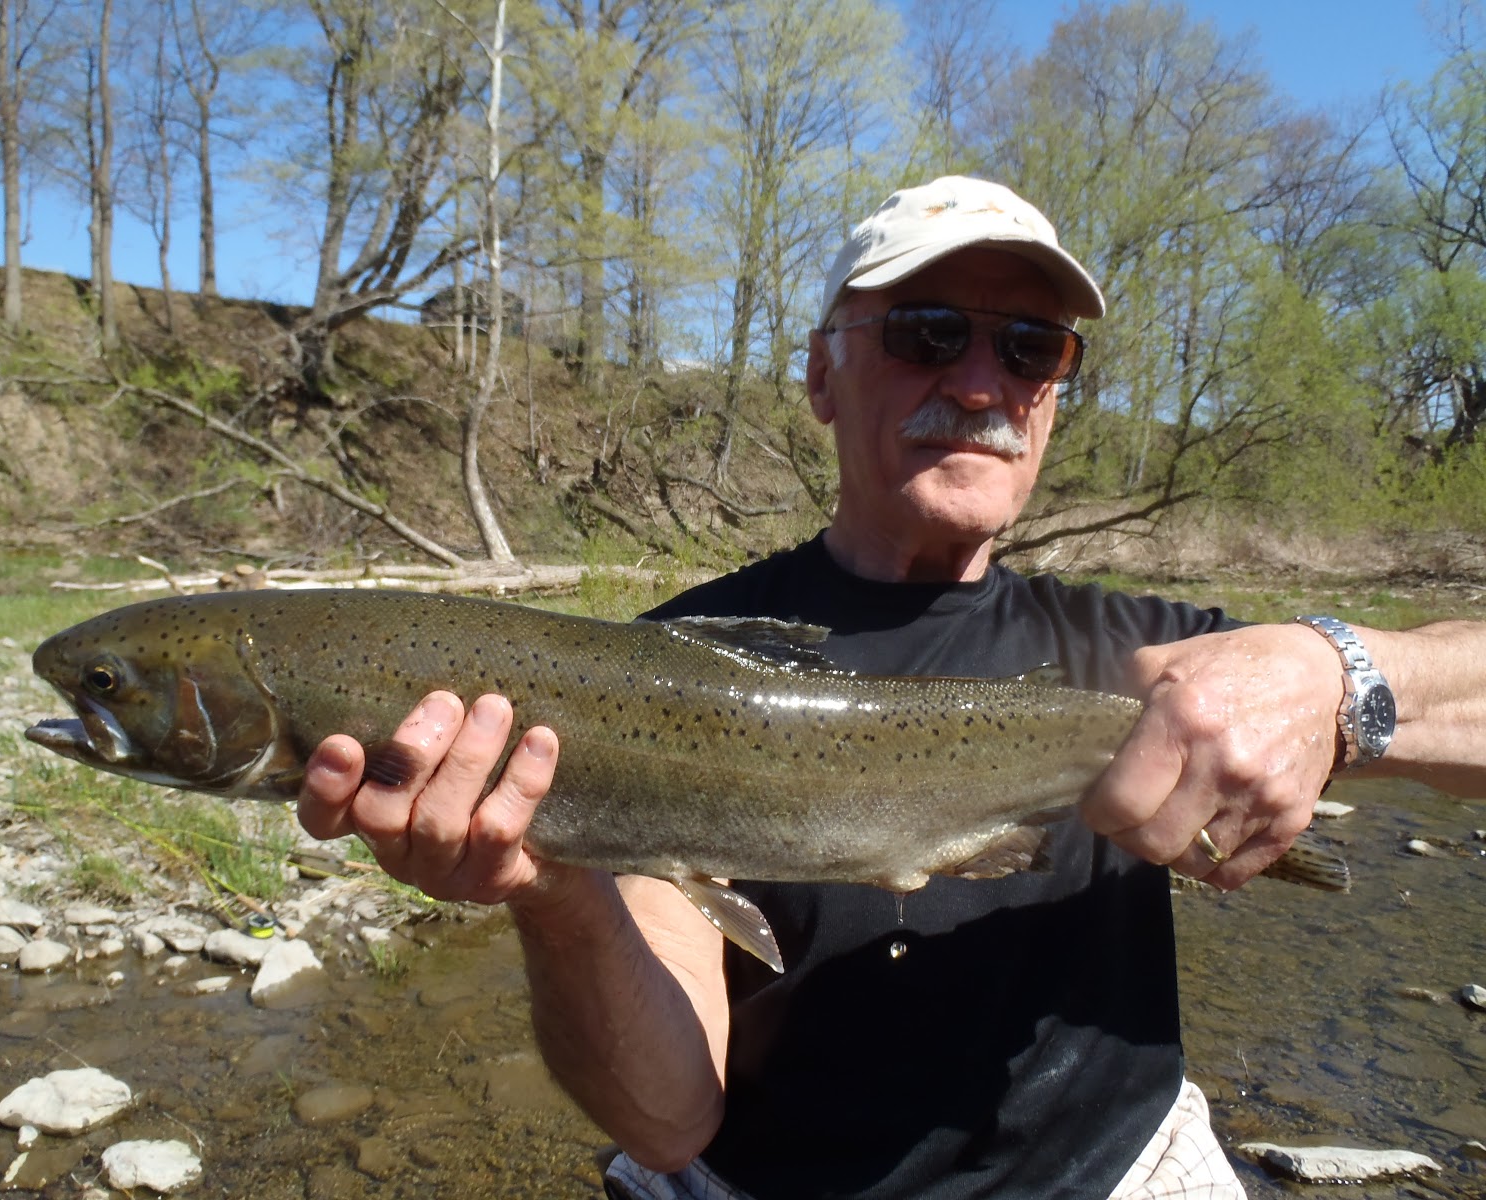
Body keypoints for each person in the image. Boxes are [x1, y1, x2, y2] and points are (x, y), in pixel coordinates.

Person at [295, 176, 1486, 1200]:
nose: (979, 383)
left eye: (1030, 350)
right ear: (820, 373)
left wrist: (1333, 673)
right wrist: (557, 891)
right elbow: (666, 1122)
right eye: (926, 332)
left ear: (1053, 399)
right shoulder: (650, 678)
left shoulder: (1137, 653)